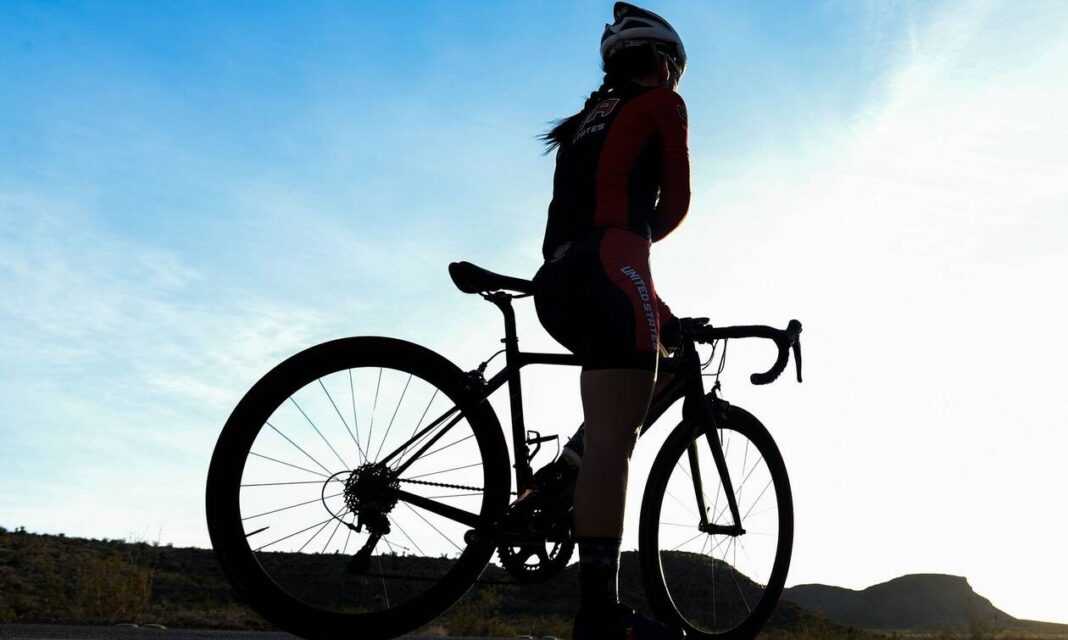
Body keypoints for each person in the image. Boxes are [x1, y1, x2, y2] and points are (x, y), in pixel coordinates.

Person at [528, 3, 691, 638]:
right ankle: (599, 616)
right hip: (612, 270)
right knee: (612, 442)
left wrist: (657, 308)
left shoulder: (582, 121)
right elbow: (674, 205)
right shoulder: (661, 104)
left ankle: (560, 476)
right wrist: (638, 236)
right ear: (665, 64)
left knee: (607, 415)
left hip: (556, 278)